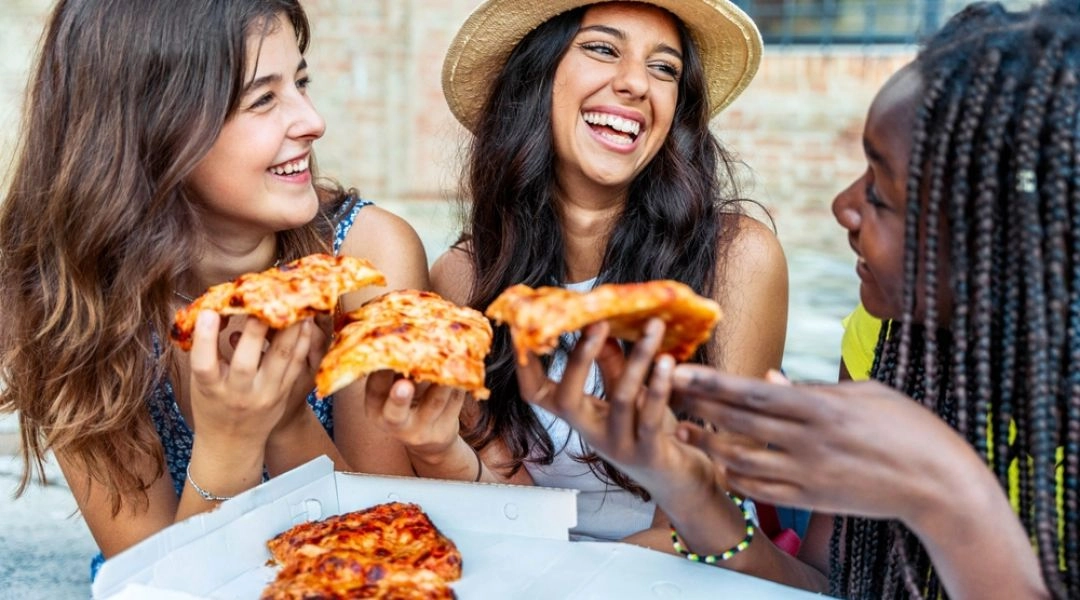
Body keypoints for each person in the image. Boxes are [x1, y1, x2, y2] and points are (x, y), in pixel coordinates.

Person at [525, 1, 1077, 597]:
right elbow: (825, 582)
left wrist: (951, 498)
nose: (843, 205)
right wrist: (683, 483)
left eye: (883, 194)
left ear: (1007, 232)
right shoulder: (884, 341)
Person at [0, 0, 432, 578]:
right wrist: (228, 445)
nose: (311, 120)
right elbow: (152, 582)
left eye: (301, 82)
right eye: (264, 99)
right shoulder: (58, 298)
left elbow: (388, 553)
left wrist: (283, 422)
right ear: (153, 126)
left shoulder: (367, 259)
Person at [418, 0, 789, 550]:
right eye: (602, 49)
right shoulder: (463, 274)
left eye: (664, 68)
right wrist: (434, 450)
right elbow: (508, 504)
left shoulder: (739, 258)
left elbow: (699, 516)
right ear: (536, 75)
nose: (637, 83)